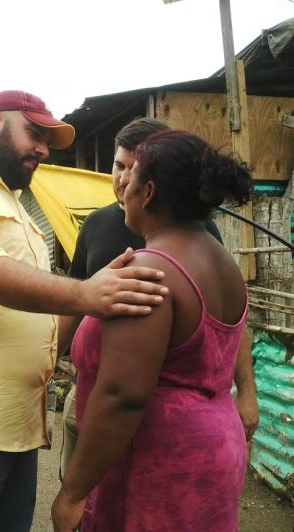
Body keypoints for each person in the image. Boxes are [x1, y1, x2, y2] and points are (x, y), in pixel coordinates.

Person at [0, 90, 170, 532]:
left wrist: (93, 312)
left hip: (12, 427)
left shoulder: (12, 206)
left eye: (47, 141)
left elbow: (34, 317)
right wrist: (87, 294)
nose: (42, 149)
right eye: (34, 133)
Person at [52, 130, 253, 531]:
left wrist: (73, 492)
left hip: (158, 460)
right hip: (214, 447)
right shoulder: (220, 260)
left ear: (149, 193)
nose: (121, 187)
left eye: (131, 179)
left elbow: (123, 394)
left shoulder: (151, 270)